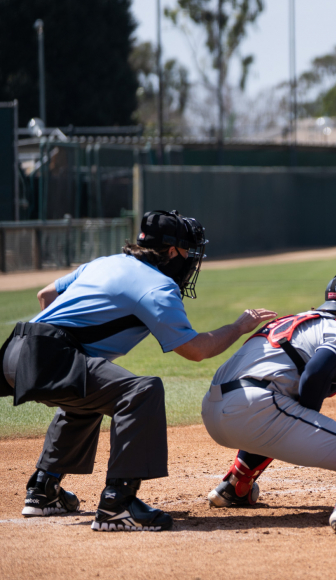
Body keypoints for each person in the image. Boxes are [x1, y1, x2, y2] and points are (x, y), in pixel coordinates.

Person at [0, 210, 276, 532]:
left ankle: (44, 491)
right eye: (189, 251)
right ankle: (118, 504)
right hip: (47, 358)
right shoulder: (157, 286)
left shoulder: (105, 262)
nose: (192, 260)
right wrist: (239, 326)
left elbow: (45, 295)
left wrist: (67, 350)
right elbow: (197, 350)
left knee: (89, 393)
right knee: (141, 391)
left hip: (14, 349)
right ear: (172, 252)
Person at [201, 271, 336, 533]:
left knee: (283, 410)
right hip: (254, 408)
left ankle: (236, 485)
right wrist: (307, 422)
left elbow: (316, 364)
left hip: (215, 408)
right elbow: (315, 374)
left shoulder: (304, 320)